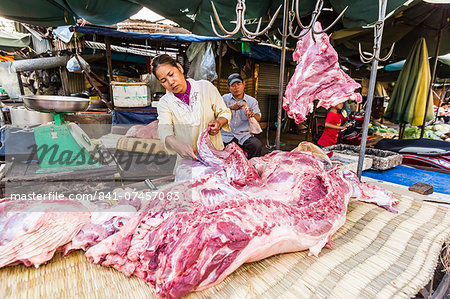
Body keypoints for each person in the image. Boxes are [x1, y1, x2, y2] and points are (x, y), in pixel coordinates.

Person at [154, 54, 231, 161]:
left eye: (171, 74)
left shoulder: (206, 87)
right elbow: (164, 129)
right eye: (163, 81)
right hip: (187, 160)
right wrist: (176, 144)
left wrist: (219, 123)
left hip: (214, 155)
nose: (170, 82)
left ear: (179, 68)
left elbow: (224, 112)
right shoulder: (165, 103)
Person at [221, 73, 263, 159]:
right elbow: (216, 113)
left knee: (256, 145)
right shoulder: (223, 99)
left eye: (238, 84)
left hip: (244, 135)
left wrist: (252, 115)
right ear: (229, 88)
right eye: (233, 85)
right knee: (214, 148)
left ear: (243, 84)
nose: (236, 87)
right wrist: (230, 108)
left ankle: (250, 167)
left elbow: (258, 117)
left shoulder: (251, 101)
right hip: (226, 135)